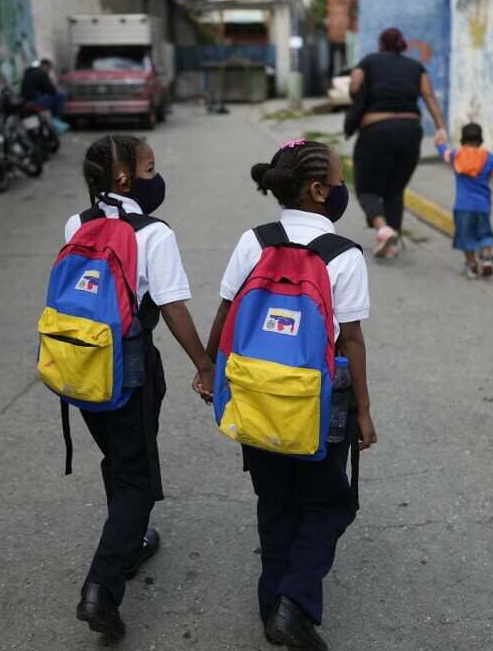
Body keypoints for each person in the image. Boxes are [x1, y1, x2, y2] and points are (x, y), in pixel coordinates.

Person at [202, 139, 376, 651]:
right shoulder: (343, 254)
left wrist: (210, 368)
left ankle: (269, 608)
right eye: (340, 180)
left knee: (274, 502)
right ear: (320, 191)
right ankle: (294, 603)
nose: (345, 188)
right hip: (321, 405)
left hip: (256, 394)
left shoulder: (253, 240)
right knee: (327, 504)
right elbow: (352, 341)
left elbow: (226, 310)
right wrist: (364, 411)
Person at [66, 135, 216, 639]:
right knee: (137, 479)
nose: (158, 176)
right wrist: (204, 362)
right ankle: (101, 588)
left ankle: (129, 546)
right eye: (151, 168)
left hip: (81, 365)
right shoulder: (153, 233)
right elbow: (172, 307)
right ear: (127, 178)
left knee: (116, 457)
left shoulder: (78, 223)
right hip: (130, 368)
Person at [348, 27, 449, 259]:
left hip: (376, 130)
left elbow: (354, 85)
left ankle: (382, 229)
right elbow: (429, 95)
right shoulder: (416, 67)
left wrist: (360, 99)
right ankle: (392, 244)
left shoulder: (369, 61)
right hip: (410, 130)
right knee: (395, 188)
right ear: (402, 45)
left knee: (366, 187)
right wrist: (441, 128)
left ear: (381, 45)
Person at [437, 123, 493, 278]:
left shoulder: (456, 155)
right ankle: (486, 258)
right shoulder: (489, 158)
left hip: (463, 207)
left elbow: (444, 152)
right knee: (484, 234)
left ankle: (472, 266)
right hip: (482, 206)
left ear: (462, 140)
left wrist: (439, 142)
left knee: (466, 237)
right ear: (480, 140)